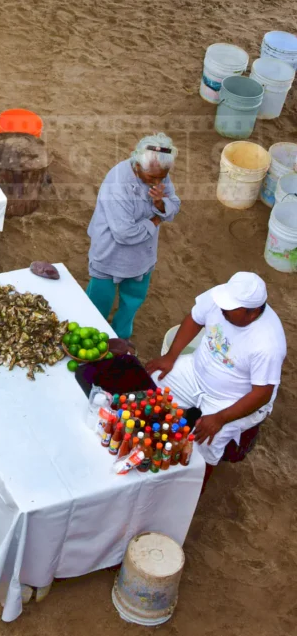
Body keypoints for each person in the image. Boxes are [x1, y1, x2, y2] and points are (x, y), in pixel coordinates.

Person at [146, 272, 286, 474]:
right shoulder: (221, 298)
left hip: (231, 399)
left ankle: (193, 486)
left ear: (252, 313)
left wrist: (221, 417)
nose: (222, 309)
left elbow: (262, 394)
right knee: (155, 382)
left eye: (230, 307)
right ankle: (154, 442)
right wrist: (171, 356)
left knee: (209, 440)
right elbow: (194, 319)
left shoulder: (268, 343)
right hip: (195, 371)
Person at [85, 132, 180, 340]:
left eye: (161, 177)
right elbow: (123, 233)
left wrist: (160, 204)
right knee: (99, 300)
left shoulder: (159, 169)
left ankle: (120, 337)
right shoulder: (117, 184)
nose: (156, 182)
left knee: (133, 298)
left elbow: (174, 204)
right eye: (151, 177)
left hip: (141, 255)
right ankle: (90, 335)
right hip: (110, 251)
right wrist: (155, 220)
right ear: (137, 165)